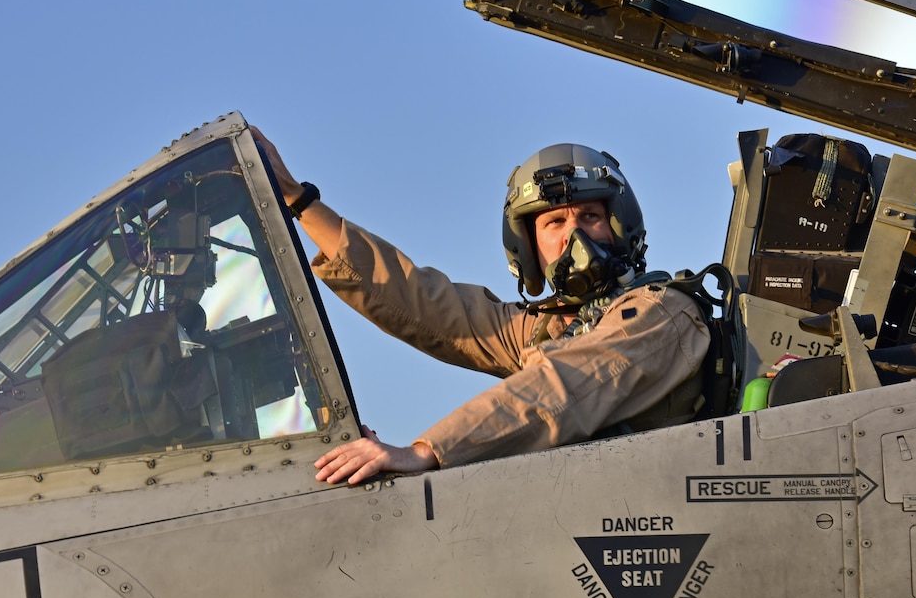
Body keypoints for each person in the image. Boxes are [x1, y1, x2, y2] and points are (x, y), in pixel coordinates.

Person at [251, 128, 710, 485]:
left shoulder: (661, 314)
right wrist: (299, 200)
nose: (576, 237)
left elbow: (563, 386)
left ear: (618, 225)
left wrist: (425, 452)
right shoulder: (548, 331)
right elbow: (427, 303)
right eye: (554, 222)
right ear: (529, 246)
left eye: (589, 216)